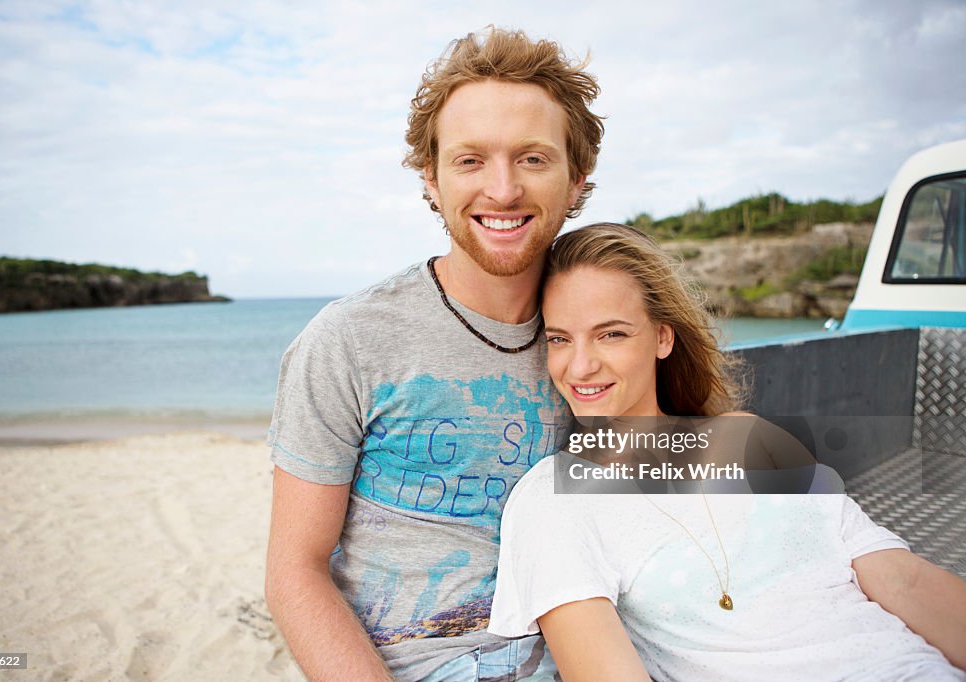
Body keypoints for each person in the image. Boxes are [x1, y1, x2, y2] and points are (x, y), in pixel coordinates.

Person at [264, 28, 604, 681]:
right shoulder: (349, 339)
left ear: (576, 178)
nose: (502, 190)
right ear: (432, 177)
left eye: (533, 158)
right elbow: (294, 573)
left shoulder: (600, 337)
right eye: (471, 160)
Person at [489, 223, 966, 681]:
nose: (581, 366)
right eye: (559, 339)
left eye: (611, 333)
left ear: (662, 336)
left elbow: (903, 581)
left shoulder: (752, 438)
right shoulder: (553, 501)